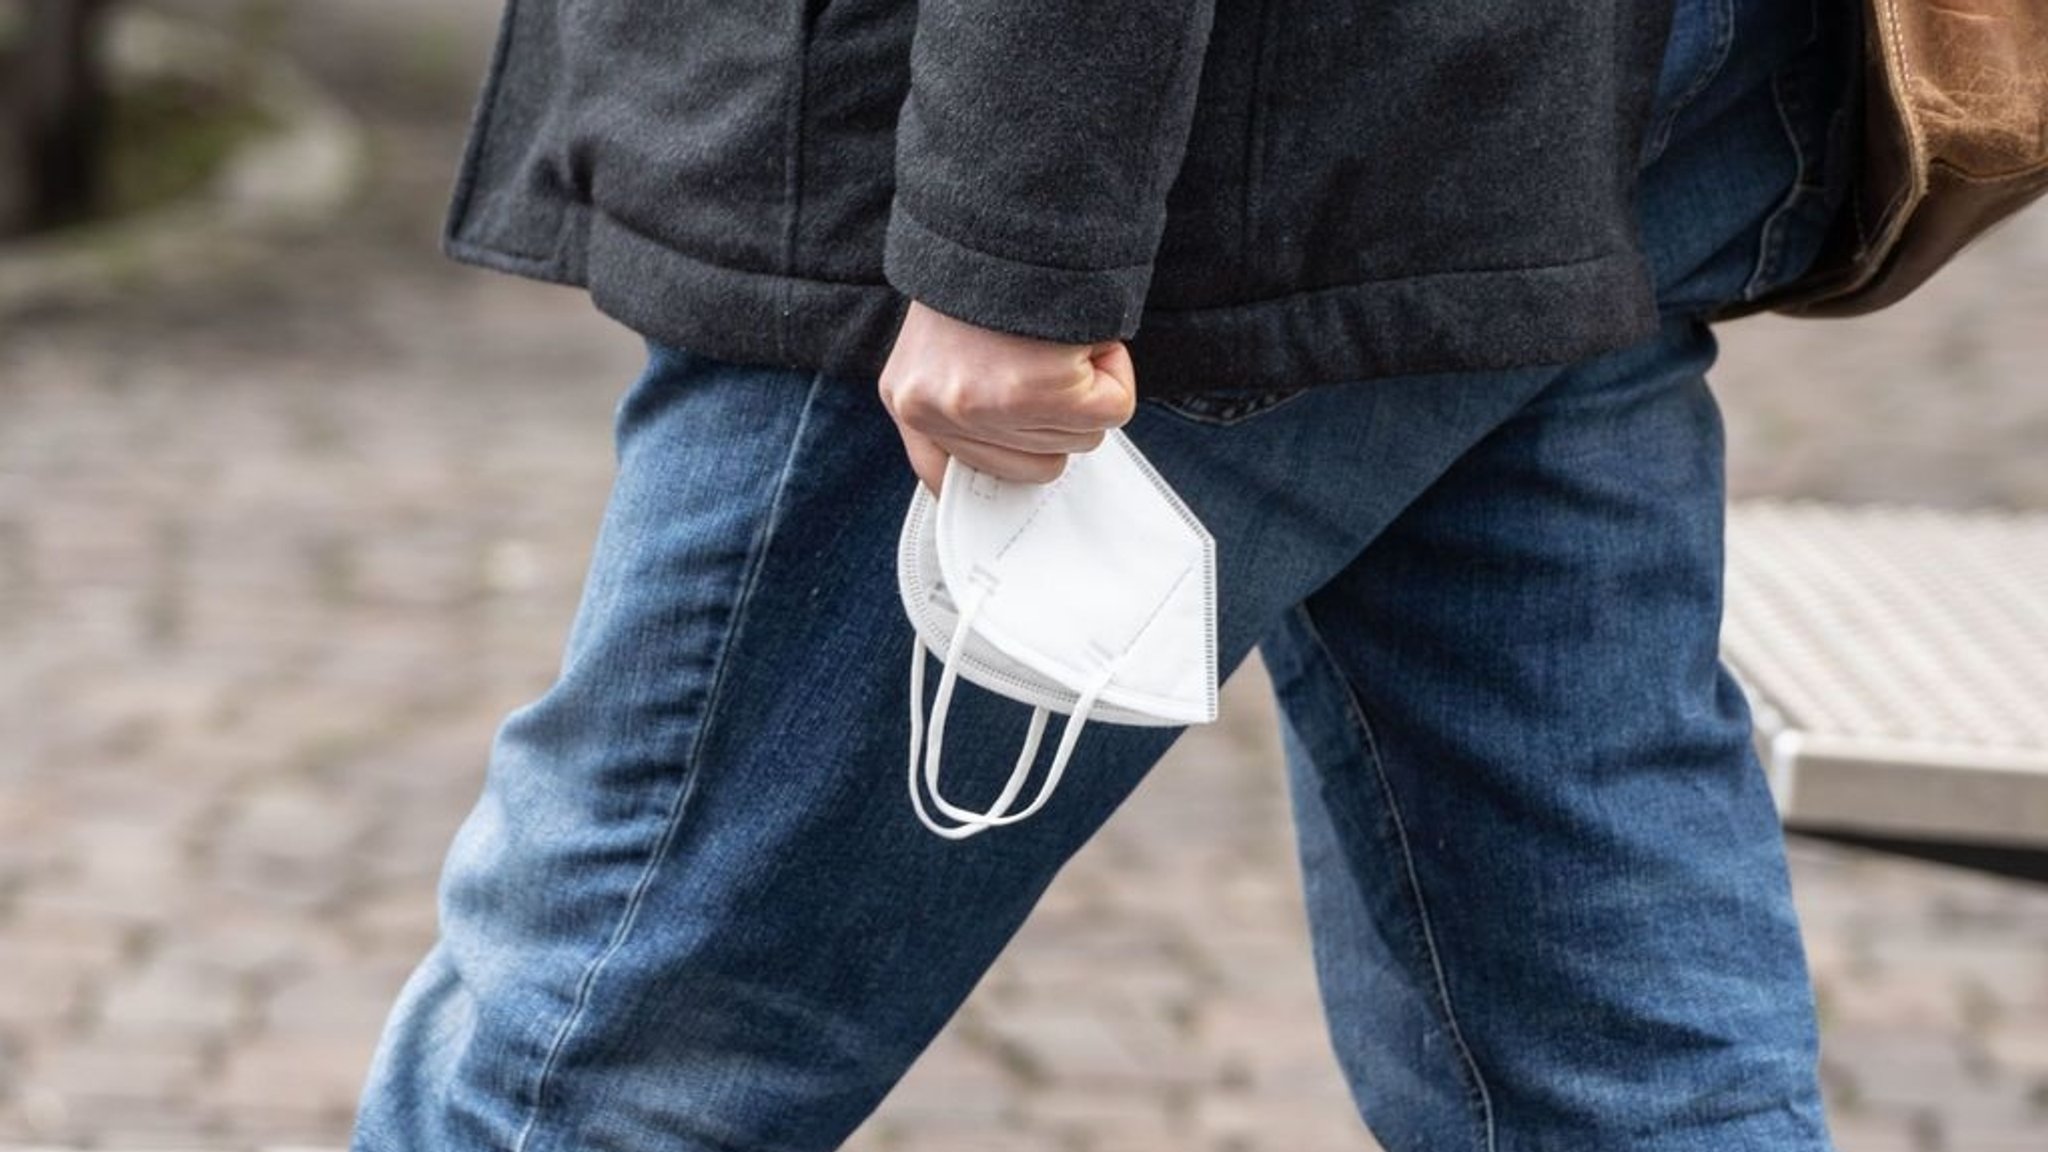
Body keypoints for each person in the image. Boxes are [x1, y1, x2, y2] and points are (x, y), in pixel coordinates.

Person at [348, 0, 1862, 1147]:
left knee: (586, 1064)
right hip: (1580, 81)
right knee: (1617, 1062)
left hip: (1186, 149)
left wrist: (1013, 231)